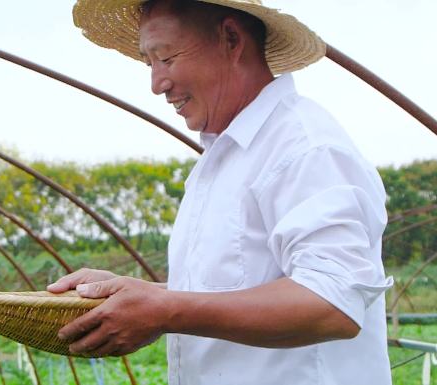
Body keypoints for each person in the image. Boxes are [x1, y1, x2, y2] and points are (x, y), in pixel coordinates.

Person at [48, 1, 394, 384]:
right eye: (150, 65)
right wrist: (146, 296)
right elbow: (236, 288)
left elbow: (332, 303)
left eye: (166, 58)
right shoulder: (224, 158)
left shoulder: (305, 147)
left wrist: (165, 309)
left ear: (230, 39)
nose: (157, 84)